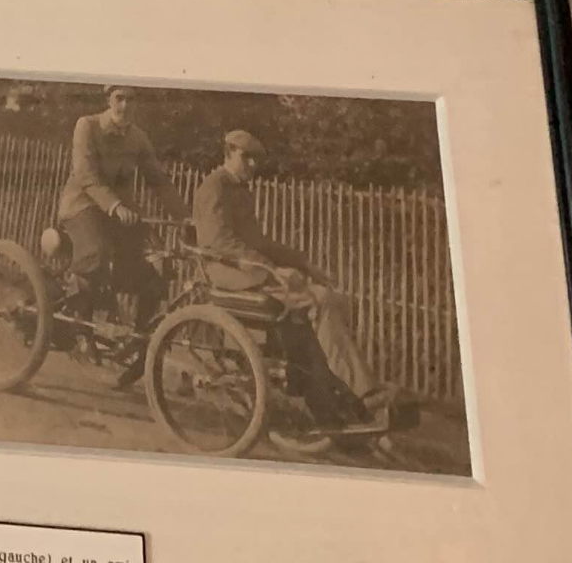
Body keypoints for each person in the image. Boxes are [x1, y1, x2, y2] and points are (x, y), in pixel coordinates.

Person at [192, 129, 394, 424]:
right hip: (228, 273)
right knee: (319, 300)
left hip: (248, 269)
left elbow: (260, 242)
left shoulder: (240, 190)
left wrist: (305, 264)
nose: (253, 165)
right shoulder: (213, 187)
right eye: (246, 157)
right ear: (229, 152)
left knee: (331, 300)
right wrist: (272, 269)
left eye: (256, 159)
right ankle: (364, 391)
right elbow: (220, 242)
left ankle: (325, 396)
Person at [57, 86, 177, 361]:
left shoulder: (138, 138)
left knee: (158, 260)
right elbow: (86, 175)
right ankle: (81, 332)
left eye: (131, 99)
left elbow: (159, 181)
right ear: (108, 100)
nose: (125, 105)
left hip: (119, 214)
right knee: (96, 252)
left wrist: (185, 217)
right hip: (82, 205)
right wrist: (115, 205)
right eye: (119, 98)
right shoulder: (87, 126)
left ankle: (138, 338)